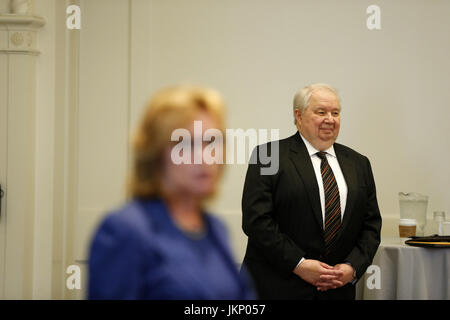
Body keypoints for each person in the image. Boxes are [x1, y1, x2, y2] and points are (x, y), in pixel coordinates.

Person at [88, 85, 255, 299]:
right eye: (185, 144)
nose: (205, 157)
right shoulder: (125, 231)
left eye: (212, 141)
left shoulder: (215, 229)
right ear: (155, 153)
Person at [241, 83, 382, 300]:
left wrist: (352, 268)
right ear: (299, 115)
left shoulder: (359, 163)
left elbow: (371, 225)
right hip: (277, 287)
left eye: (335, 113)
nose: (330, 119)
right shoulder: (268, 155)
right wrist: (299, 264)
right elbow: (256, 221)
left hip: (337, 290)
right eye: (321, 112)